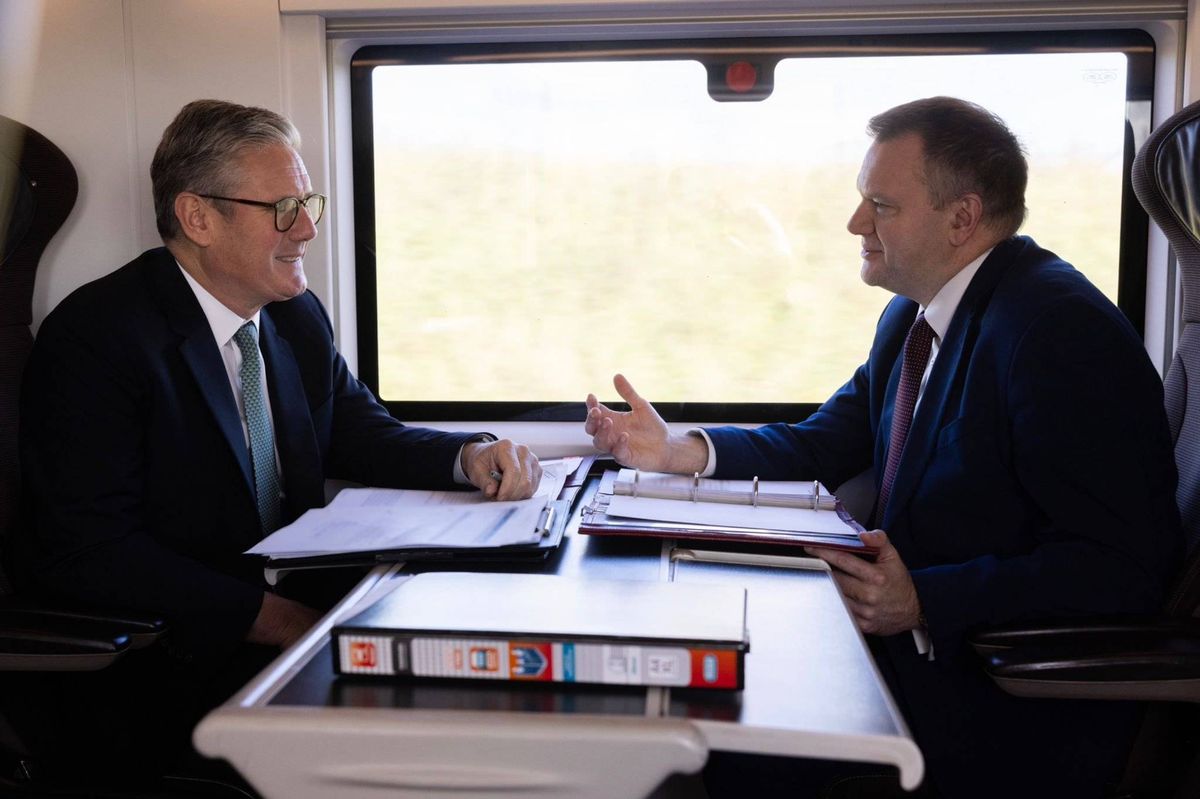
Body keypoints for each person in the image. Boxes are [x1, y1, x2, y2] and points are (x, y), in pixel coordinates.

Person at [585, 97, 1181, 798]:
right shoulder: (914, 314)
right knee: (691, 696)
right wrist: (679, 451)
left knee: (707, 748)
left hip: (994, 704)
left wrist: (924, 598)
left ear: (961, 217)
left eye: (880, 205)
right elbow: (821, 444)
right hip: (902, 658)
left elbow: (1123, 565)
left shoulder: (1056, 331)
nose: (855, 223)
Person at [18, 99, 541, 769]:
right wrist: (285, 621)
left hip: (281, 610)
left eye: (308, 204)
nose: (307, 231)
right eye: (283, 209)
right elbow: (90, 550)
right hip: (172, 652)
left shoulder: (292, 316)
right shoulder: (100, 338)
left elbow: (358, 431)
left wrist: (469, 457)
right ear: (198, 217)